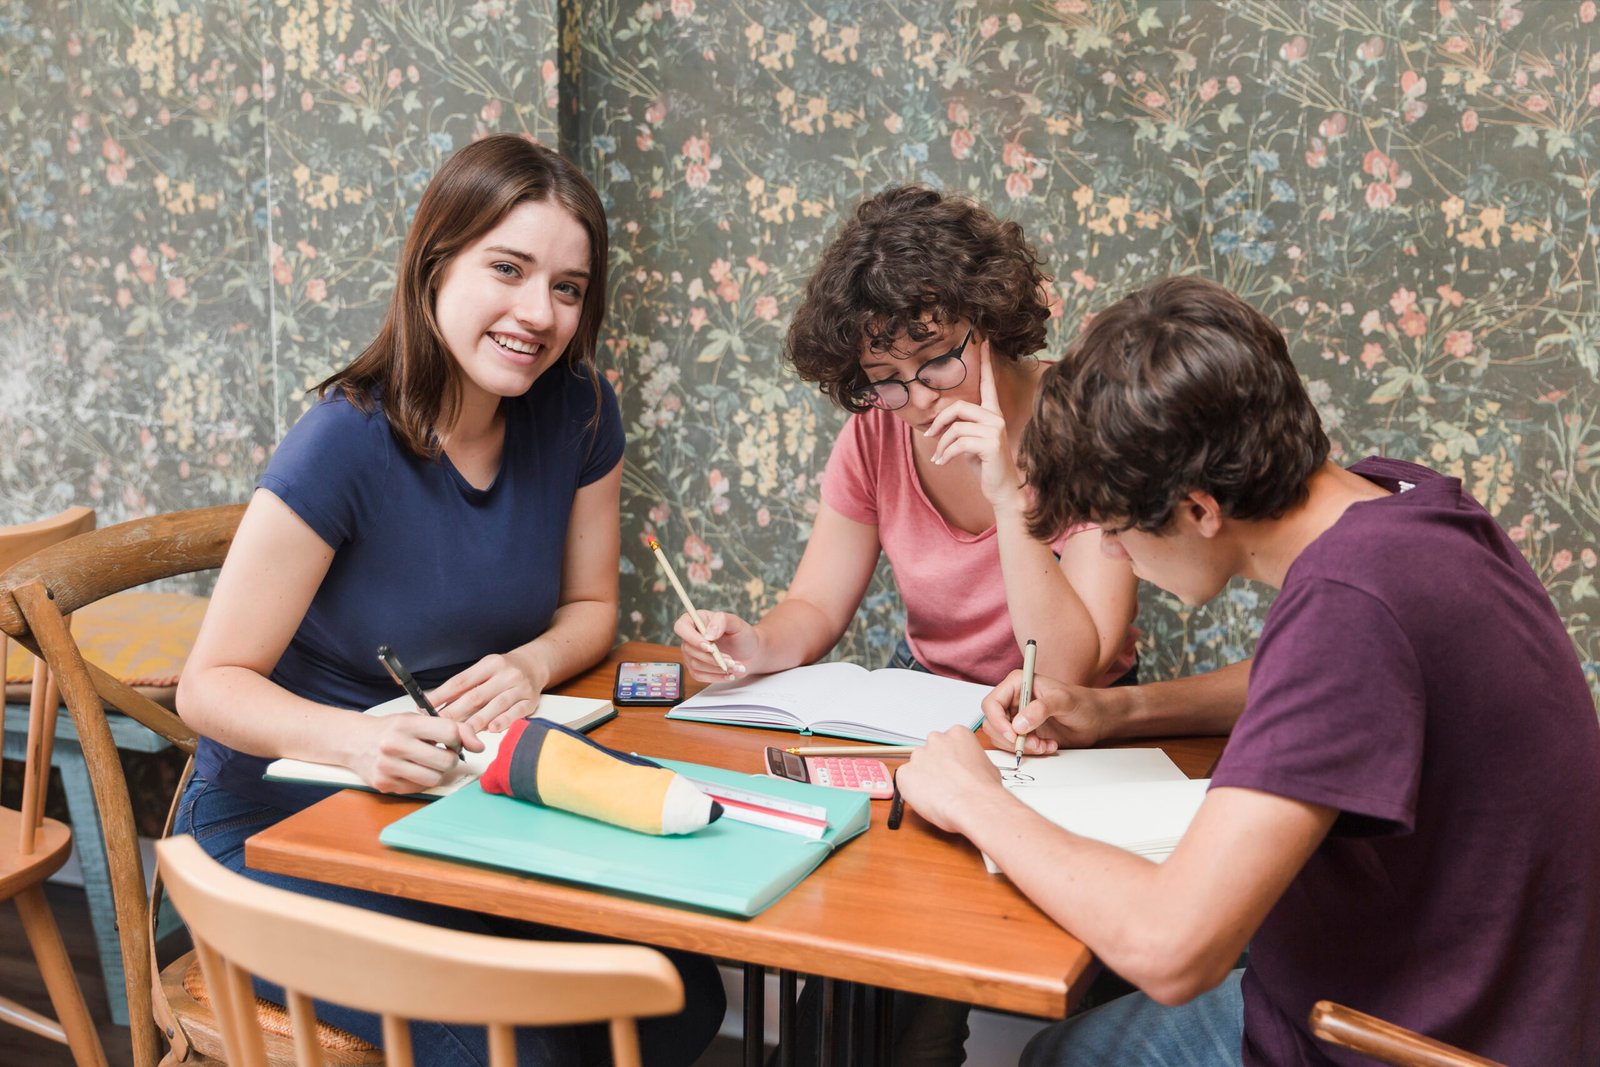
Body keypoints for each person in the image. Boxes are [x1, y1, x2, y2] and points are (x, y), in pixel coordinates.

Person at [897, 275, 1600, 1066]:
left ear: (1198, 510)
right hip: (1493, 998)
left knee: (1064, 1058)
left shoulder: (1350, 607)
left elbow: (1171, 948)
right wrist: (1115, 713)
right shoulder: (1400, 508)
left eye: (1121, 529)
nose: (1119, 551)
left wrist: (976, 799)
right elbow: (1320, 682)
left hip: (1394, 1037)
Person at [175, 135, 723, 1066]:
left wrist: (530, 662)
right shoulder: (340, 443)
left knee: (680, 994)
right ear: (435, 266)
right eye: (507, 268)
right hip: (280, 824)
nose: (538, 312)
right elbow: (209, 685)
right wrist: (357, 739)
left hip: (451, 802)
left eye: (567, 286)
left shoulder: (579, 408)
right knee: (516, 1043)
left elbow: (591, 606)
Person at [672, 186, 1139, 1064]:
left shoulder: (1087, 424)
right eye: (884, 379)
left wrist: (1008, 493)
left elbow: (1076, 661)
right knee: (882, 960)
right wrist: (751, 643)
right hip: (929, 713)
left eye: (936, 360)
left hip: (1067, 731)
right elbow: (814, 607)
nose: (916, 399)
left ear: (988, 322)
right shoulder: (878, 436)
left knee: (1004, 954)